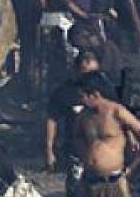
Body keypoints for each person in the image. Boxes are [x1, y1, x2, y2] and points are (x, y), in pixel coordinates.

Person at [43, 49, 113, 180]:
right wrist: (49, 150)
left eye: (95, 74)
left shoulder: (105, 88)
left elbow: (119, 115)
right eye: (87, 75)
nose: (91, 80)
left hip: (104, 149)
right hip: (76, 151)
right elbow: (52, 119)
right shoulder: (64, 92)